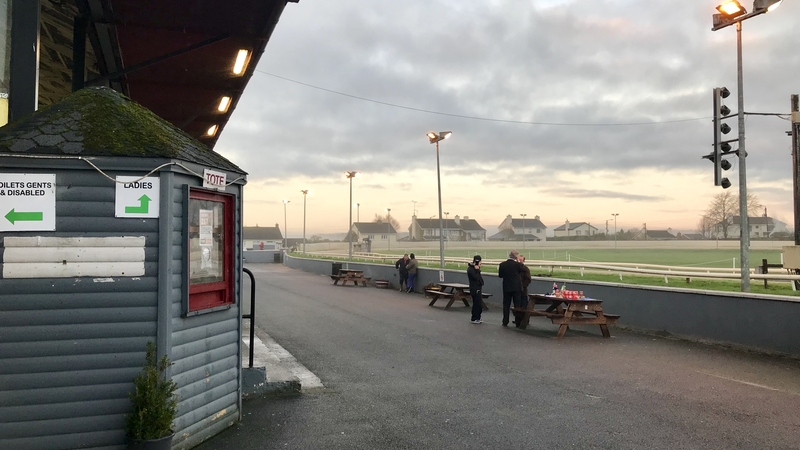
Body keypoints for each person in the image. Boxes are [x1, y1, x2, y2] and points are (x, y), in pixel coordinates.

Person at [498, 250, 527, 327]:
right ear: (516, 257)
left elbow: (500, 275)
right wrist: (519, 261)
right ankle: (518, 322)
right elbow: (524, 269)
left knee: (506, 304)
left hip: (506, 287)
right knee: (517, 305)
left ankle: (505, 321)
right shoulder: (517, 265)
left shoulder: (502, 264)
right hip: (516, 288)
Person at [467, 255, 484, 324]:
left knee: (479, 303)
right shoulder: (471, 270)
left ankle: (478, 317)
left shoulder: (472, 269)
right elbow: (476, 278)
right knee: (476, 304)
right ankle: (474, 317)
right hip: (475, 288)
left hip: (477, 288)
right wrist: (477, 271)